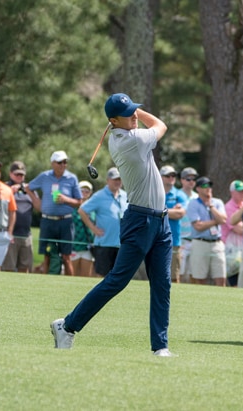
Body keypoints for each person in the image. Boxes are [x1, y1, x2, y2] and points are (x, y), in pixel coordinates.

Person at [51, 93, 174, 357]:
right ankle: (67, 325)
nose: (134, 116)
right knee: (117, 280)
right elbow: (161, 125)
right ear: (113, 121)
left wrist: (131, 112)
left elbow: (144, 122)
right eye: (128, 114)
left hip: (161, 221)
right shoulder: (130, 141)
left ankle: (160, 346)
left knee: (162, 284)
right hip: (140, 220)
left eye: (135, 111)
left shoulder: (127, 134)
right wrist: (139, 114)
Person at [28, 150, 83, 276]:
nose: (63, 165)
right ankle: (45, 283)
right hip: (47, 221)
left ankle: (69, 284)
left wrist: (65, 199)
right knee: (47, 255)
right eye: (59, 162)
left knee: (66, 257)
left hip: (66, 221)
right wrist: (37, 202)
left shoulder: (72, 178)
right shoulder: (44, 176)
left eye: (65, 162)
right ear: (52, 163)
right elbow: (28, 187)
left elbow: (79, 201)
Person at [78, 167, 128, 277]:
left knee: (119, 276)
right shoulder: (99, 196)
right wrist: (93, 228)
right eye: (115, 179)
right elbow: (82, 210)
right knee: (101, 275)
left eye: (119, 179)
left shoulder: (125, 196)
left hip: (122, 243)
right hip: (104, 243)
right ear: (108, 180)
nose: (117, 182)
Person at [186, 176, 227, 286]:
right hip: (200, 243)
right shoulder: (193, 203)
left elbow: (223, 220)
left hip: (217, 243)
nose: (208, 188)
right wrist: (215, 221)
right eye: (204, 186)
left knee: (221, 277)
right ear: (198, 189)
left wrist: (211, 206)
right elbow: (198, 226)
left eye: (209, 185)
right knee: (200, 278)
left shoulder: (217, 202)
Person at [2, 161, 41, 273]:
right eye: (17, 174)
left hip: (26, 234)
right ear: (10, 174)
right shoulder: (4, 187)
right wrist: (10, 192)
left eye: (21, 175)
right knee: (8, 267)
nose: (19, 177)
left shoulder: (31, 189)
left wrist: (28, 191)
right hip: (9, 234)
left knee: (25, 267)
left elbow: (39, 207)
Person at [160, 165, 188, 283]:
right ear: (161, 177)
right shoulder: (154, 192)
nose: (171, 178)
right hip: (154, 239)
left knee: (174, 276)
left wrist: (160, 211)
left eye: (173, 175)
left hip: (173, 240)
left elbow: (180, 214)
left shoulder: (179, 194)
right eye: (168, 176)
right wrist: (171, 211)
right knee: (155, 273)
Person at [223, 180, 243, 286]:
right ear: (232, 192)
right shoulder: (228, 207)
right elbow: (238, 229)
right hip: (231, 249)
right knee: (234, 280)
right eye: (240, 191)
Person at [178, 166, 199, 283]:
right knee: (178, 273)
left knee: (194, 274)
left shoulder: (198, 197)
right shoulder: (177, 195)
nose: (191, 181)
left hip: (195, 240)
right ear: (182, 180)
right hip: (181, 240)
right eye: (188, 179)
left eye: (193, 179)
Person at [70, 181, 95, 276]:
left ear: (90, 193)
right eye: (82, 190)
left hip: (88, 247)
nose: (84, 193)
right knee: (71, 276)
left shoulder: (94, 209)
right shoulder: (71, 207)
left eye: (87, 191)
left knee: (85, 277)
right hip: (73, 246)